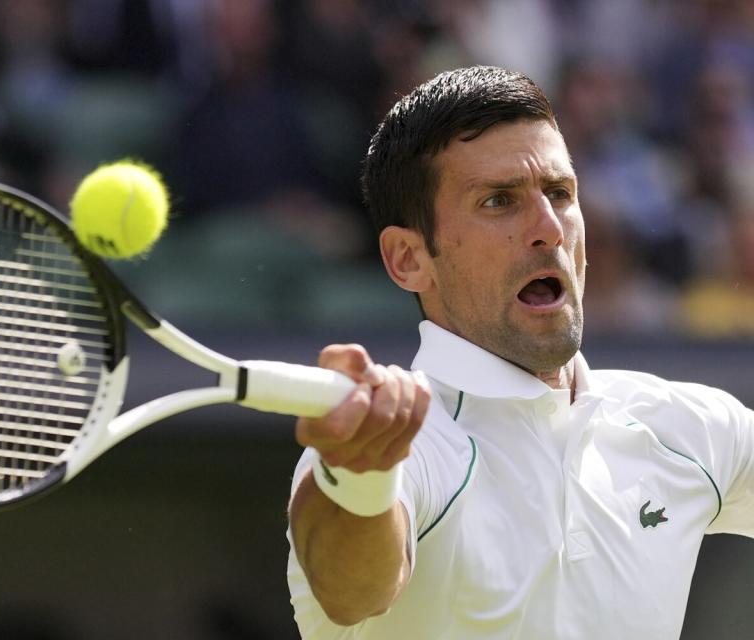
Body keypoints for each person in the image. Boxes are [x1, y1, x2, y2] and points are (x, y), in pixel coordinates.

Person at [286, 65, 754, 639]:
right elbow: (351, 590)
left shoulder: (694, 429)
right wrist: (358, 476)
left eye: (559, 193)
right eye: (499, 201)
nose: (549, 228)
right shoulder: (400, 455)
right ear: (408, 258)